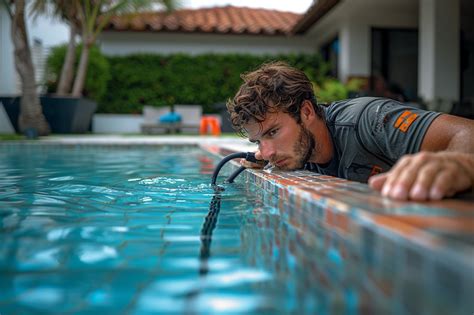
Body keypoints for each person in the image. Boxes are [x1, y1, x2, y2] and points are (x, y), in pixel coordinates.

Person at [226, 62, 474, 201]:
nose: (265, 152)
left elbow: (467, 132)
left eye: (273, 132)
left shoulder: (369, 120)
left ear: (307, 112)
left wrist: (459, 161)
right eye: (258, 141)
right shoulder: (296, 154)